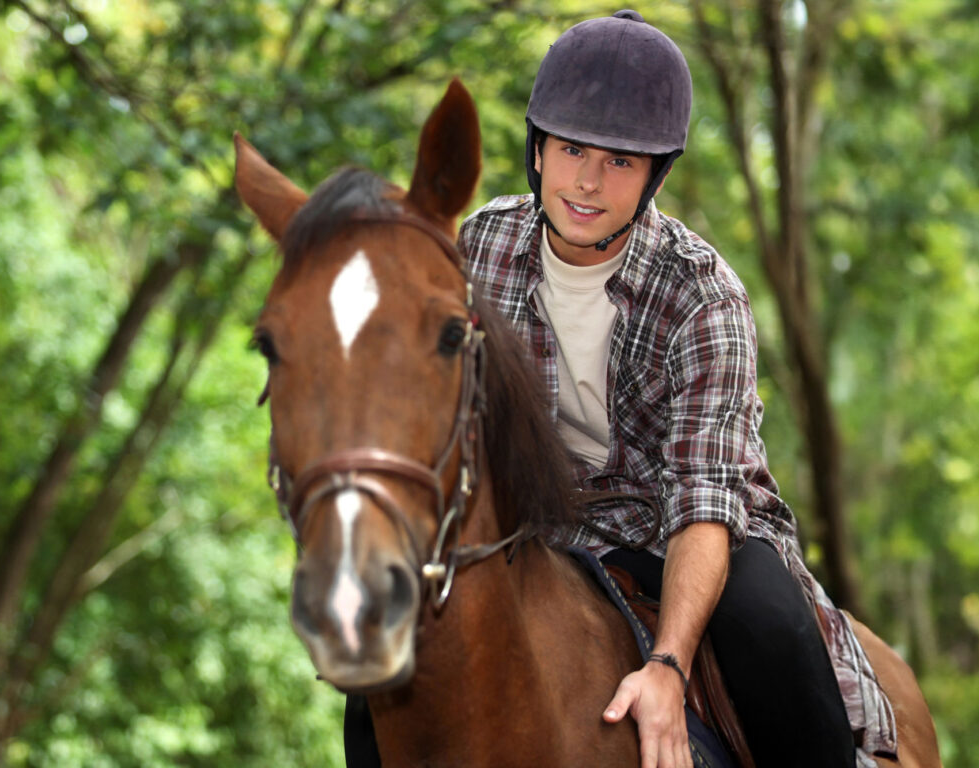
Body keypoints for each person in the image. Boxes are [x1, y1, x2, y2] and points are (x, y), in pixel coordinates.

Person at [344, 10, 899, 768]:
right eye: (571, 149)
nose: (587, 181)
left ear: (655, 174)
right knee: (380, 673)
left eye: (620, 161)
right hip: (525, 527)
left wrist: (668, 665)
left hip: (673, 527)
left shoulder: (706, 295)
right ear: (537, 151)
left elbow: (704, 495)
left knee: (770, 626)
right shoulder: (478, 249)